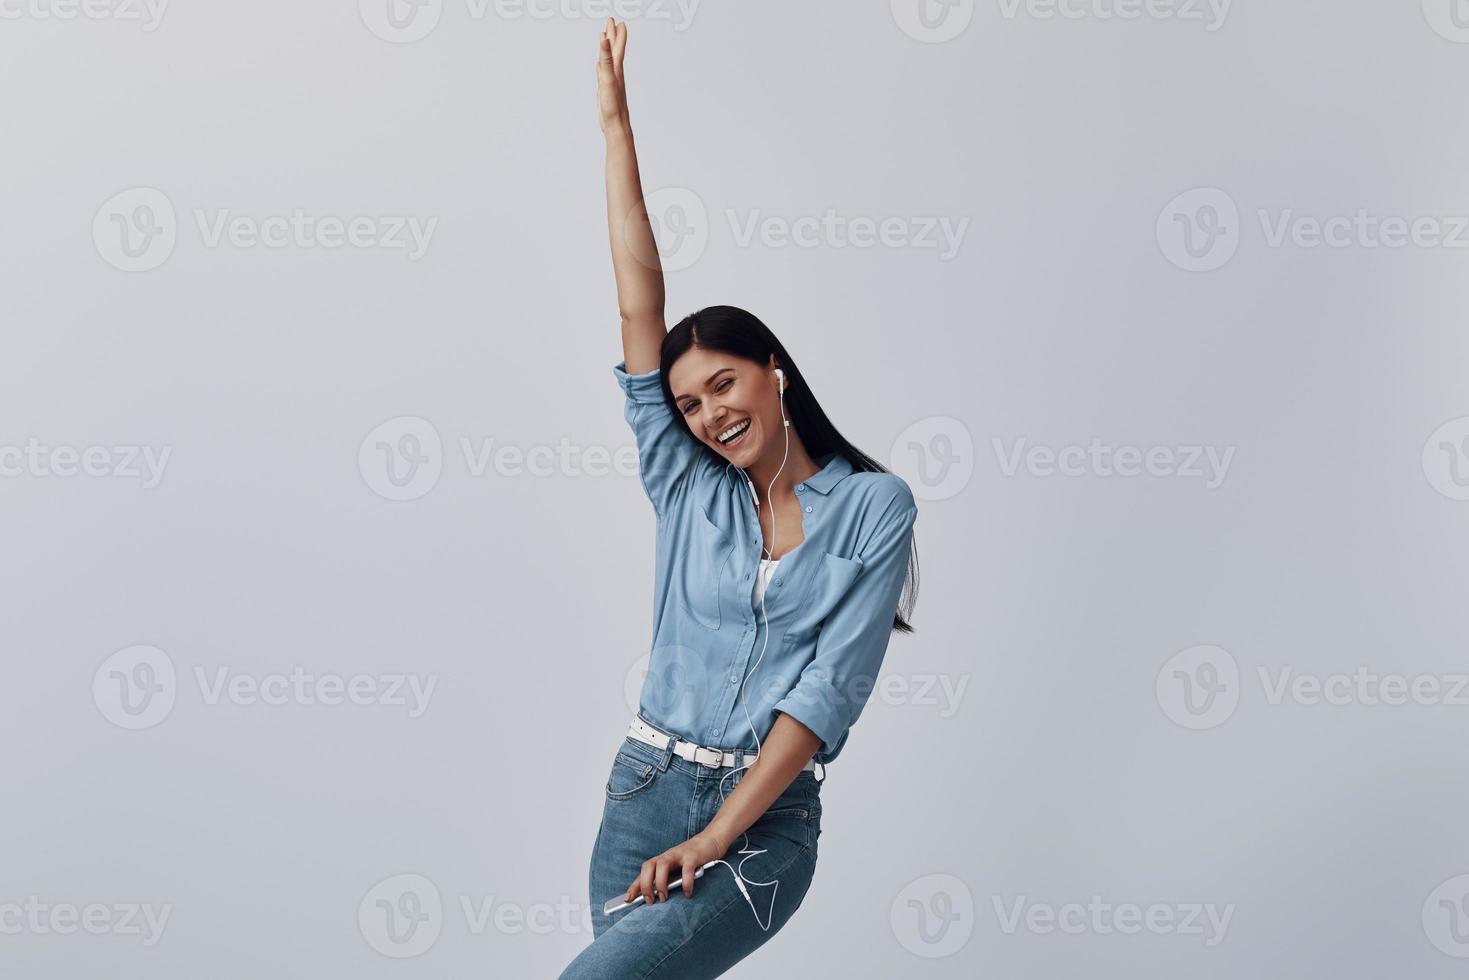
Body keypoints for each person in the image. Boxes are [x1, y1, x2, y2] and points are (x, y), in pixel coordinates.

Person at [557, 19, 921, 979]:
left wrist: (715, 838)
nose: (709, 413)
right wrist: (614, 129)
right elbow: (640, 298)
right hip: (642, 790)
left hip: (762, 823)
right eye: (687, 402)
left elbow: (825, 691)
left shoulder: (875, 509)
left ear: (773, 373)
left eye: (723, 384)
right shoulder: (685, 487)